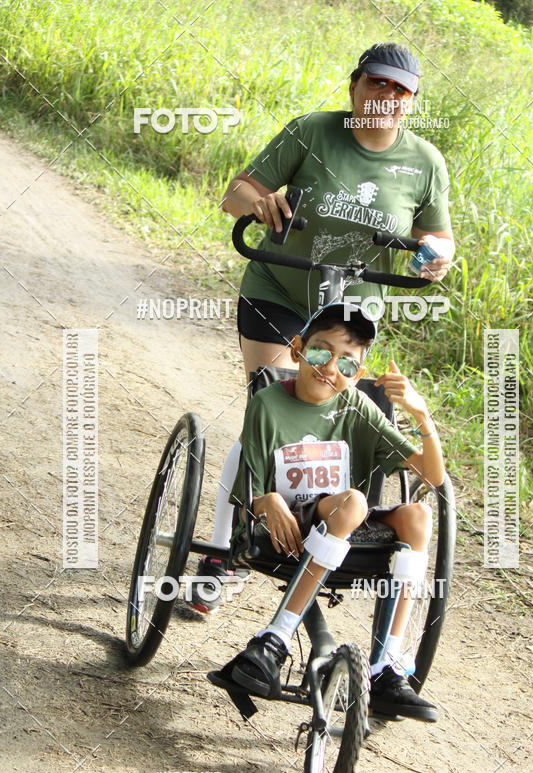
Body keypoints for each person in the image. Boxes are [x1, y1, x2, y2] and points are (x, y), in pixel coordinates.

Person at [189, 41, 454, 613]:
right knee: (275, 404)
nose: (386, 96)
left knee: (331, 417)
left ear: (411, 102)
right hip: (281, 287)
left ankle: (330, 525)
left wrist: (436, 255)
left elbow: (440, 238)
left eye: (399, 90)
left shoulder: (425, 162)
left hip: (352, 314)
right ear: (355, 85)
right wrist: (257, 204)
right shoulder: (312, 130)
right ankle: (221, 548)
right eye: (377, 84)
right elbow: (234, 194)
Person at [209, 302, 445, 721]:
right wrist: (267, 500)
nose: (329, 368)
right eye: (320, 352)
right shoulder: (267, 403)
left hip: (343, 522)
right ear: (298, 349)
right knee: (353, 500)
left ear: (357, 373)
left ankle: (385, 665)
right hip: (284, 529)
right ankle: (277, 637)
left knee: (417, 516)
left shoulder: (356, 407)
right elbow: (252, 484)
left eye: (347, 365)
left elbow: (433, 476)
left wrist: (420, 413)